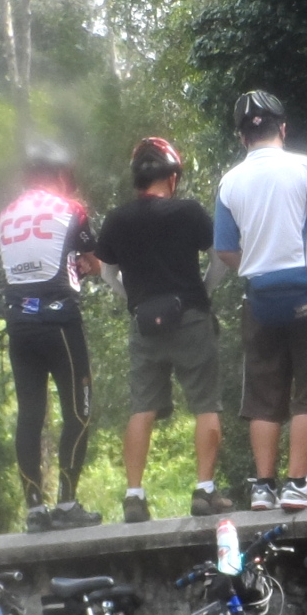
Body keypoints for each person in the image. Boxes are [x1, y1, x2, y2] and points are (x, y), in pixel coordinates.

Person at [215, 91, 307, 512]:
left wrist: (255, 268)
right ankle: (298, 482)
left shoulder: (229, 182)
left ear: (242, 137)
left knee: (263, 394)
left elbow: (225, 249)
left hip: (259, 299)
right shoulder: (306, 168)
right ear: (283, 129)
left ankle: (263, 487)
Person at [96, 137, 232, 522]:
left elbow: (107, 274)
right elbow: (221, 258)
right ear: (172, 177)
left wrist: (134, 301)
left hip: (145, 325)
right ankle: (204, 490)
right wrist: (203, 292)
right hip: (190, 317)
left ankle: (134, 497)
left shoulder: (118, 219)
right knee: (206, 405)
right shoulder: (188, 211)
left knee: (143, 408)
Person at [0, 140, 102, 531]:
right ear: (60, 174)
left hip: (18, 322)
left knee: (30, 416)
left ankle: (34, 510)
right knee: (78, 410)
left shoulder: (4, 215)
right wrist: (84, 265)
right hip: (59, 322)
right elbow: (94, 261)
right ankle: (67, 503)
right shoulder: (71, 208)